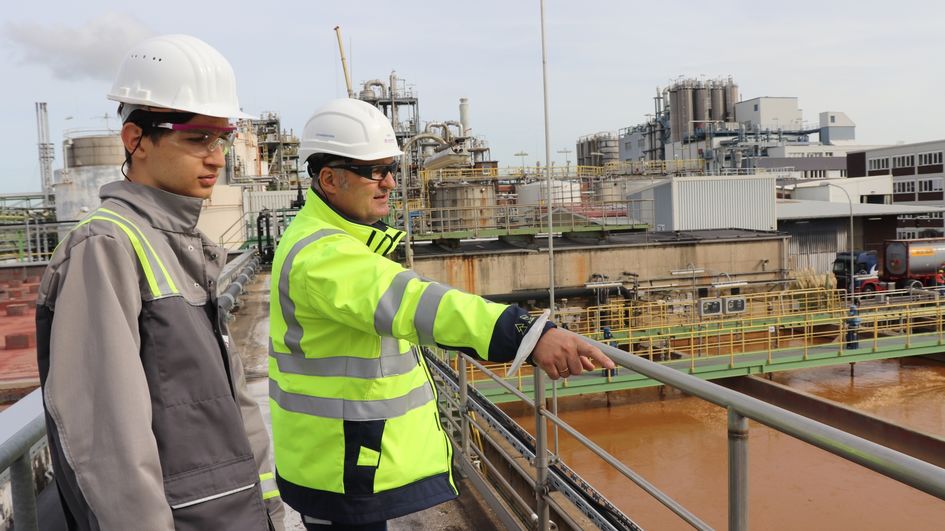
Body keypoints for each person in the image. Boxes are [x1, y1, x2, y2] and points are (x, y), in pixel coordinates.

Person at [269, 98, 615, 530]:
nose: (391, 183)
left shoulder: (323, 238)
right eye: (375, 171)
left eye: (391, 169)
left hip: (332, 455)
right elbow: (416, 304)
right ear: (329, 179)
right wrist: (527, 332)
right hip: (338, 463)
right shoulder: (322, 255)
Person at [36, 34, 284, 530]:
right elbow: (107, 443)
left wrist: (271, 511)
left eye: (222, 138)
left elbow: (232, 406)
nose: (217, 157)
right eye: (197, 138)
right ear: (136, 140)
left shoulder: (180, 244)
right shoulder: (105, 247)